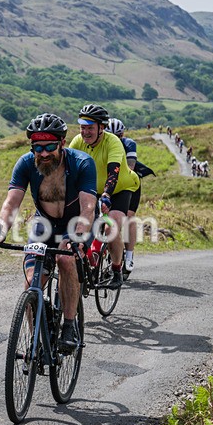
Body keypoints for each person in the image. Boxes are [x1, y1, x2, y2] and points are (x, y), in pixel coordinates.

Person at [0, 113, 97, 353]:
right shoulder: (26, 164)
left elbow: (88, 207)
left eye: (50, 146)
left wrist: (78, 238)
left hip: (76, 222)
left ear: (62, 143)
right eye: (38, 147)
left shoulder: (82, 163)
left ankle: (69, 325)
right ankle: (38, 339)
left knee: (65, 259)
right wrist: (0, 230)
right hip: (45, 223)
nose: (44, 153)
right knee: (31, 284)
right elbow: (11, 203)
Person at [69, 104, 141, 288]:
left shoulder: (113, 142)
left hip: (120, 188)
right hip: (93, 188)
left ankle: (117, 269)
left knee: (113, 224)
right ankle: (86, 261)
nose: (85, 132)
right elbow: (67, 172)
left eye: (90, 128)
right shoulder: (77, 142)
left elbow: (113, 172)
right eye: (83, 127)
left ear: (101, 128)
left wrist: (107, 195)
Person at [106, 118, 142, 272]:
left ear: (123, 134)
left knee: (128, 217)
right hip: (108, 182)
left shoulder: (129, 144)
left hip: (128, 182)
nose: (116, 138)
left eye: (118, 136)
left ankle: (129, 256)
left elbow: (131, 166)